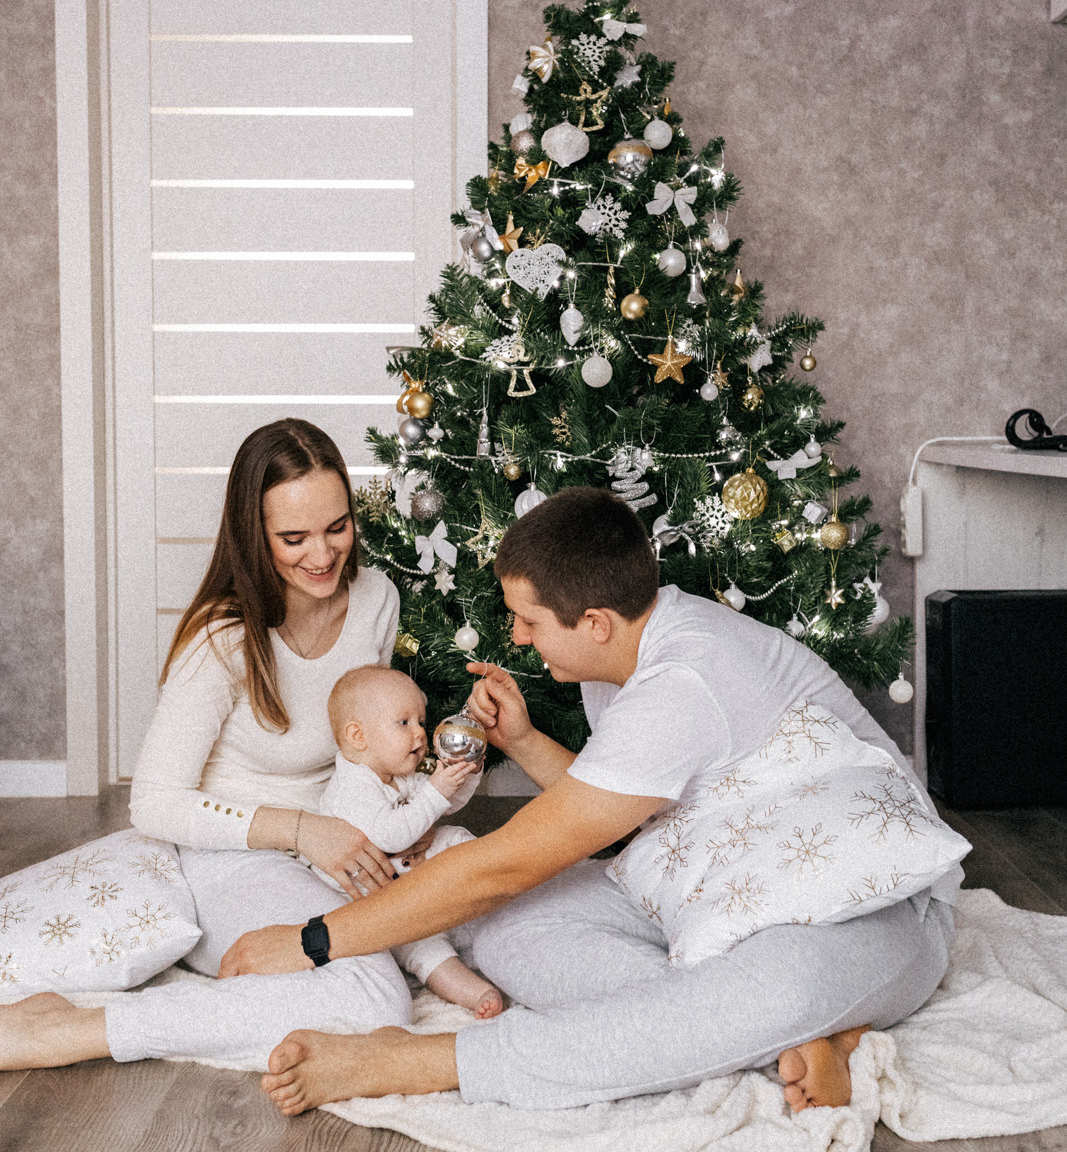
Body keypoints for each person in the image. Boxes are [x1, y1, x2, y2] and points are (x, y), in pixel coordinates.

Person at [215, 487, 961, 1117]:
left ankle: (426, 1060)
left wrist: (315, 939)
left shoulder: (679, 682)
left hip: (865, 906)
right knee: (509, 931)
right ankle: (780, 1037)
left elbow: (498, 865)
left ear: (594, 623)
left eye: (529, 621)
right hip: (703, 879)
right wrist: (527, 742)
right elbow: (620, 816)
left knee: (771, 987)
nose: (516, 636)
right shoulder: (636, 644)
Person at [0, 419, 419, 1073]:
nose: (322, 555)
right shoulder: (224, 636)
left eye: (337, 527)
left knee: (454, 924)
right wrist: (304, 830)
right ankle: (78, 1028)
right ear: (255, 534)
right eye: (293, 538)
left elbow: (365, 744)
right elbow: (155, 803)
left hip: (338, 847)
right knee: (373, 1002)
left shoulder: (376, 600)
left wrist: (396, 817)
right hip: (233, 858)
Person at [319, 665, 503, 1019]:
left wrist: (464, 773)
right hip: (368, 901)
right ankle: (471, 990)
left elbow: (443, 805)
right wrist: (437, 787)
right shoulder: (351, 786)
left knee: (456, 838)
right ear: (358, 736)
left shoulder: (396, 775)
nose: (420, 733)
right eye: (404, 723)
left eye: (421, 721)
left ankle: (488, 896)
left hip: (402, 879)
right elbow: (391, 835)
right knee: (422, 944)